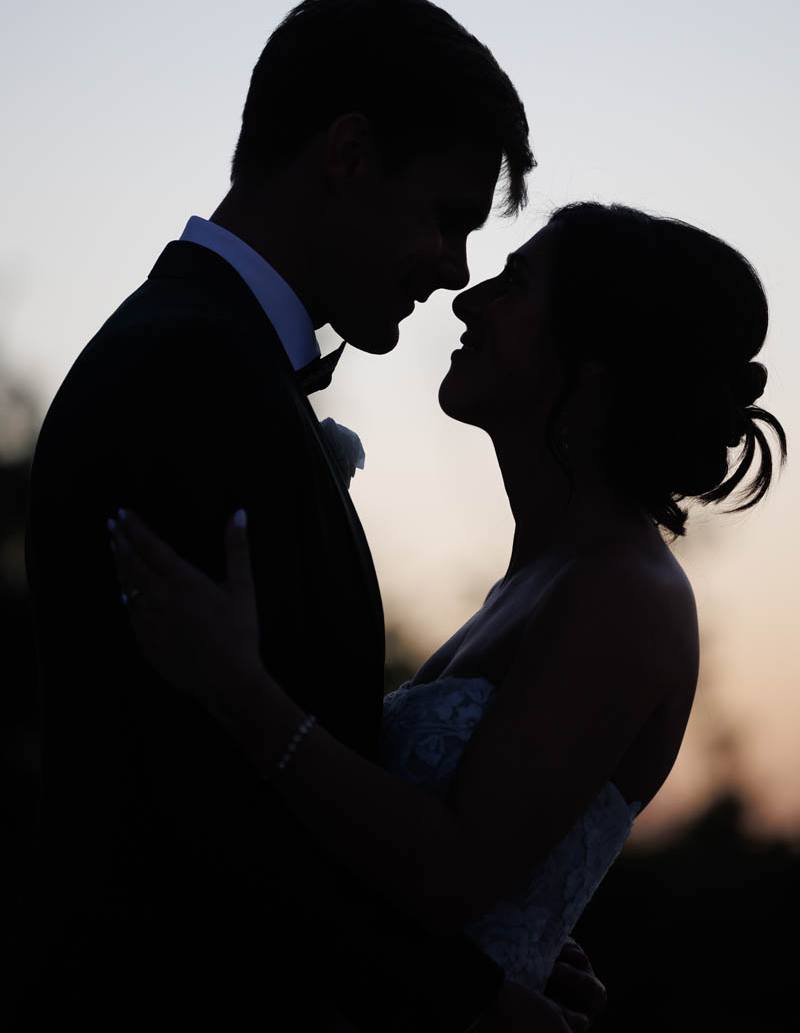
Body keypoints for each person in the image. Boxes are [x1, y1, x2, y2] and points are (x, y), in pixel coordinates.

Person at [25, 0, 600, 1031]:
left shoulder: (207, 355)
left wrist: (488, 944)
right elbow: (200, 813)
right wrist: (472, 1001)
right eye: (443, 217)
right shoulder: (192, 379)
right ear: (346, 155)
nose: (455, 269)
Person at [107, 200, 787, 1017]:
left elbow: (448, 877)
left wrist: (239, 691)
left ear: (594, 365)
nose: (467, 300)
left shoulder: (624, 594)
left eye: (515, 284)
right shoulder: (542, 576)